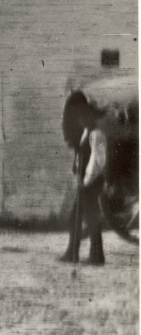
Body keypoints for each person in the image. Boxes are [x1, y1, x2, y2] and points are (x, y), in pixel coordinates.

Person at [59, 91, 108, 265]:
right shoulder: (86, 133)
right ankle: (75, 253)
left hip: (92, 182)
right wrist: (77, 173)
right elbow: (82, 156)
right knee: (80, 216)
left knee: (89, 216)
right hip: (86, 182)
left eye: (84, 116)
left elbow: (98, 161)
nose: (81, 119)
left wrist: (86, 181)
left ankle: (95, 256)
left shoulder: (96, 134)